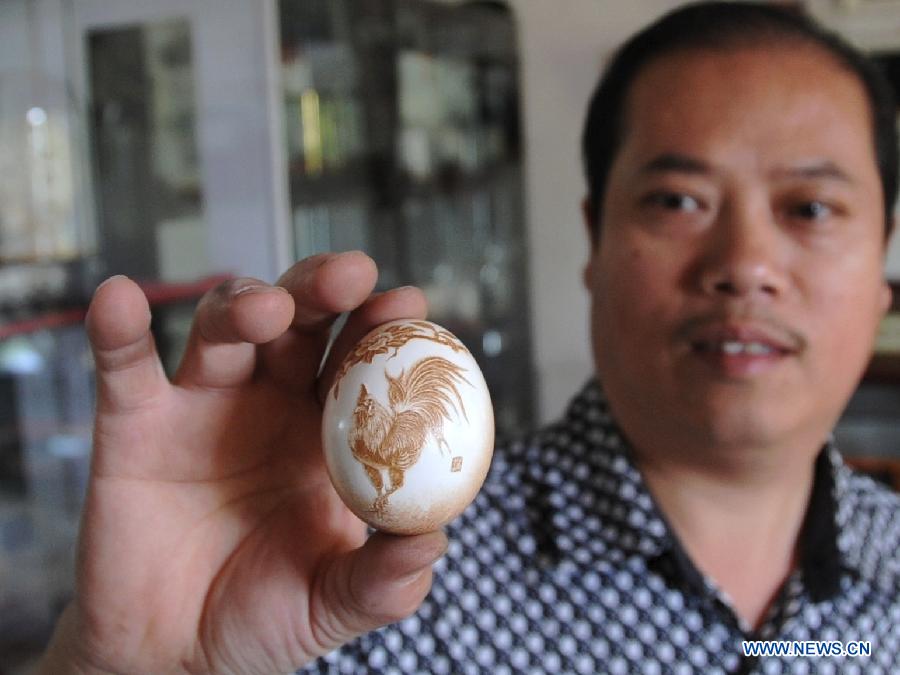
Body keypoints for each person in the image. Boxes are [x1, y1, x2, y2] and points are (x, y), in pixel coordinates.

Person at [37, 2, 900, 673]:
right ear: (594, 243)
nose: (745, 264)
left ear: (884, 285)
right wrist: (143, 664)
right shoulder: (349, 580)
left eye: (811, 208)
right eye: (677, 200)